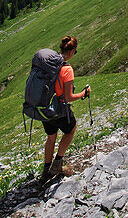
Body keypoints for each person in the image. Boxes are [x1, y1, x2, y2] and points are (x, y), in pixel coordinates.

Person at [41, 35, 90, 180]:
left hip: (44, 106)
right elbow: (68, 97)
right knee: (71, 129)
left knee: (51, 137)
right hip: (58, 109)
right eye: (75, 51)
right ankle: (57, 164)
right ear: (72, 50)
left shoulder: (49, 63)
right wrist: (83, 93)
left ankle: (46, 170)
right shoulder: (66, 70)